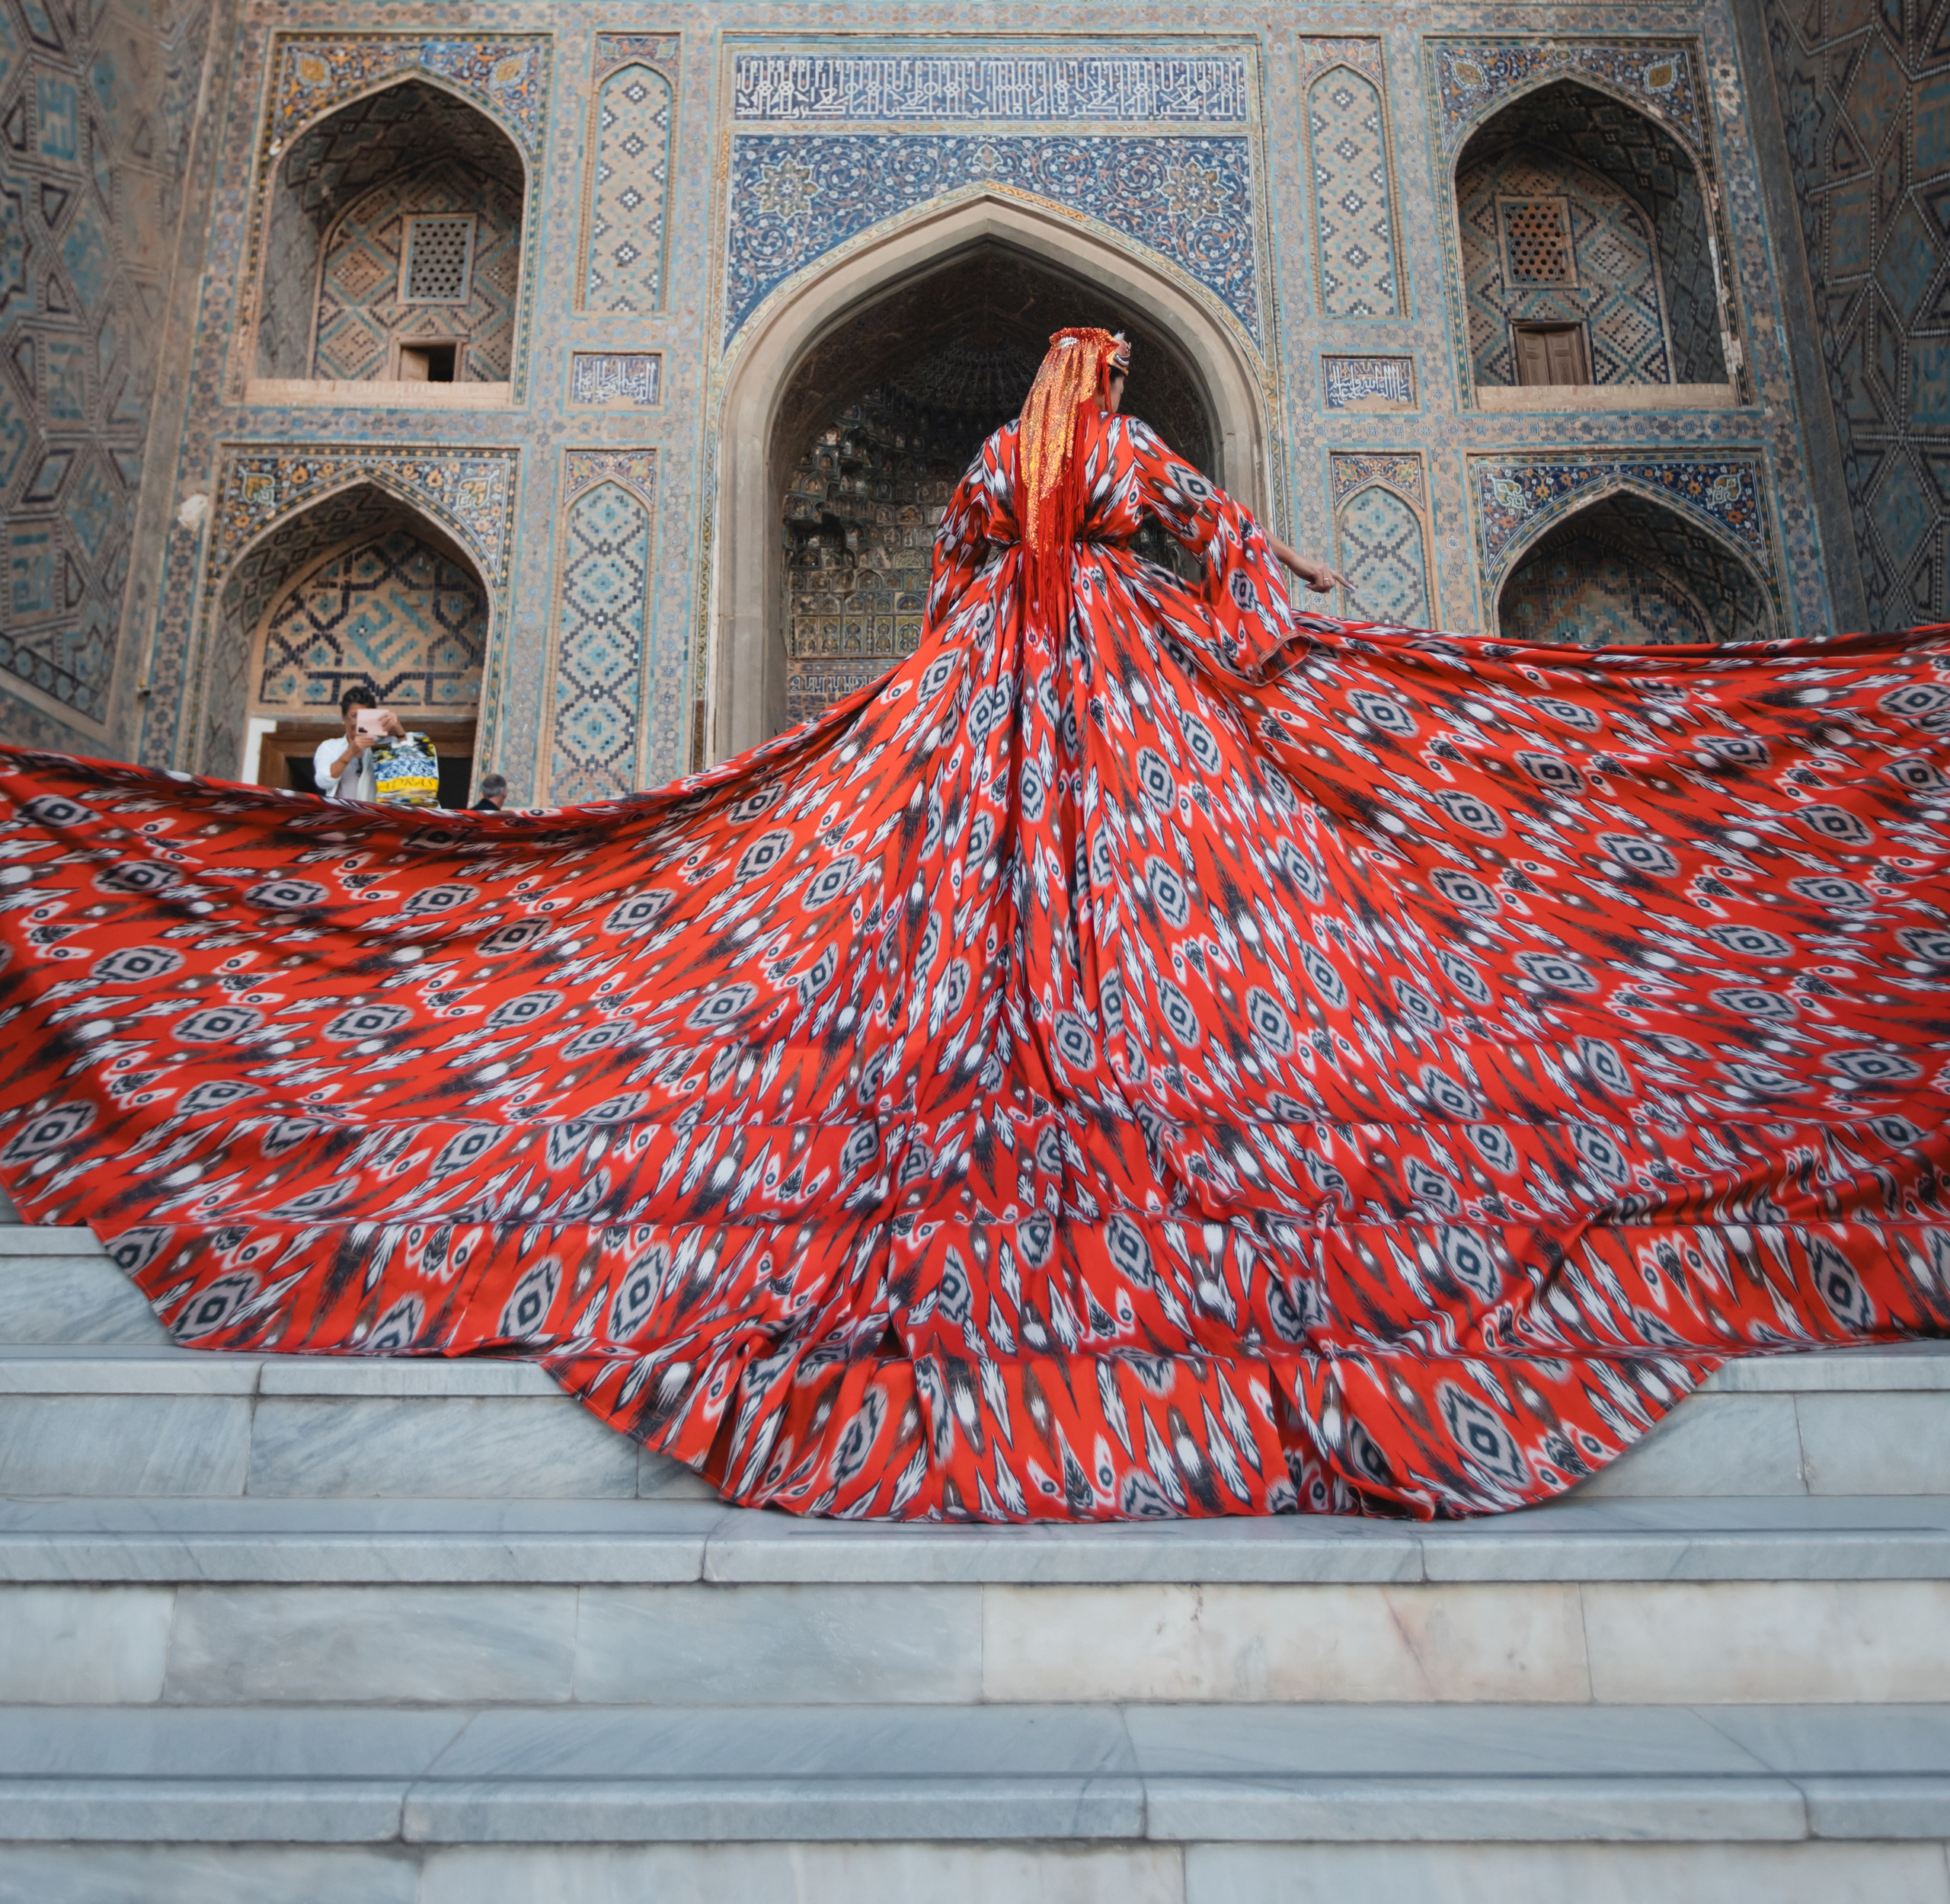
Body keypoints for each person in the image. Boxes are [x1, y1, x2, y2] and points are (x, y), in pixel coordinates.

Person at [0, 323, 1946, 1524]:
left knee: (844, 933)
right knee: (1235, 953)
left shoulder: (989, 478)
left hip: (975, 722)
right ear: (1108, 400)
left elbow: (953, 607)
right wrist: (1346, 683)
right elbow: (1250, 593)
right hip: (1147, 716)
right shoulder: (1129, 469)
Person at [312, 684, 402, 804]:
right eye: (354, 716)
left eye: (364, 716)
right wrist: (350, 752)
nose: (358, 722)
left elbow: (412, 767)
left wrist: (399, 730)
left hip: (376, 819)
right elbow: (322, 781)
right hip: (343, 818)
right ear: (344, 718)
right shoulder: (329, 747)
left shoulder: (385, 746)